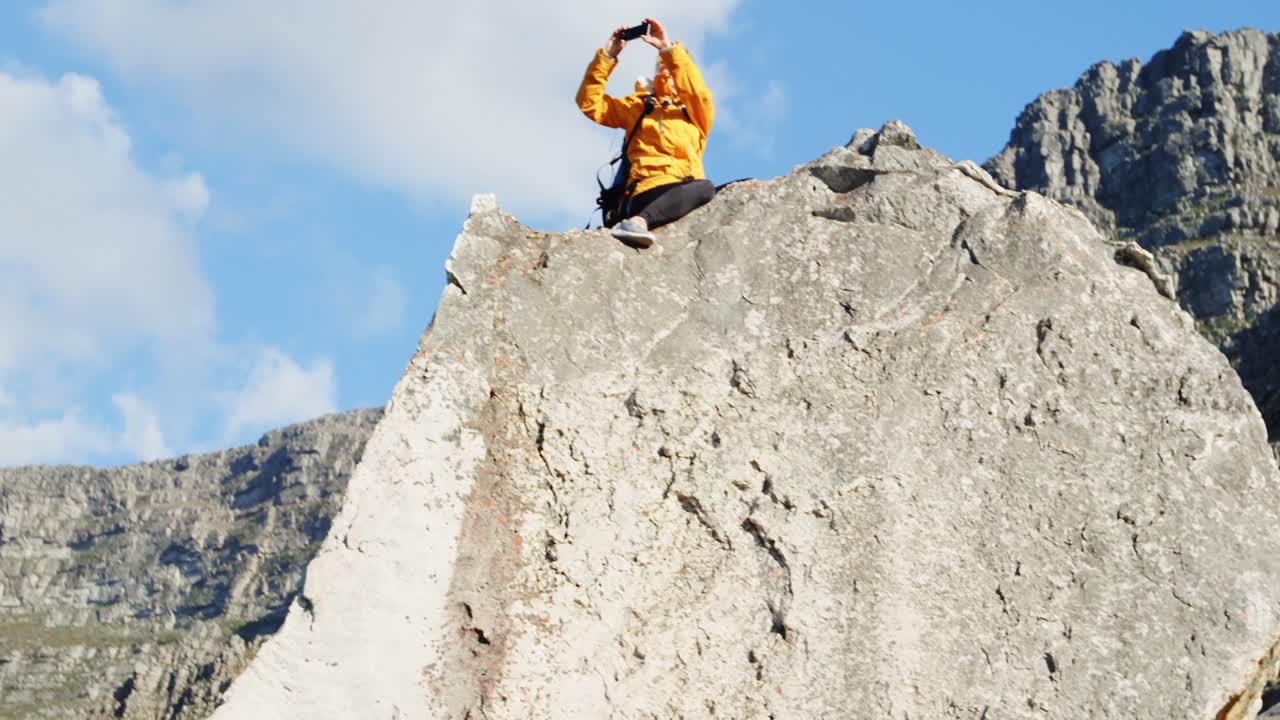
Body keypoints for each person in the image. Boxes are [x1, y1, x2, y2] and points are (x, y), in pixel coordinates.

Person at [577, 18, 716, 248]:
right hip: (646, 191)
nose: (669, 71)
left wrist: (668, 49)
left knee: (736, 186)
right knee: (705, 188)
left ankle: (644, 220)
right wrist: (607, 57)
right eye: (663, 65)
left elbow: (697, 93)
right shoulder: (639, 107)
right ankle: (638, 222)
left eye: (674, 68)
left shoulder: (695, 112)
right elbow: (590, 103)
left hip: (685, 189)